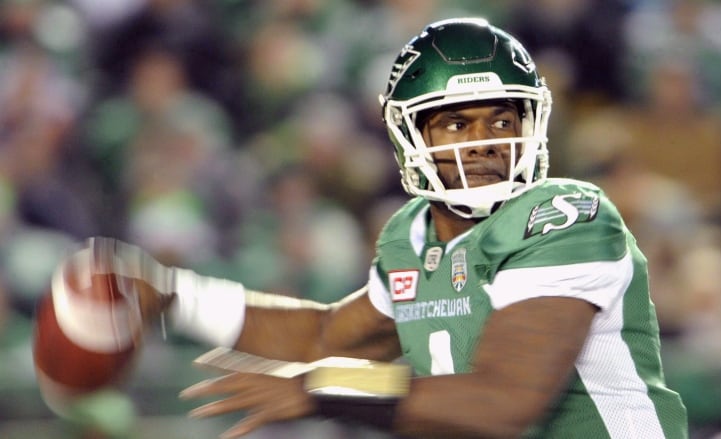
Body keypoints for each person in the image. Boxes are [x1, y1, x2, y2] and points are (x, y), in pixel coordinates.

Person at [76, 18, 688, 438]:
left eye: (502, 117)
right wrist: (173, 298)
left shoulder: (563, 217)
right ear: (410, 136)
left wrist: (324, 389)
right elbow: (324, 335)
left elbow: (505, 401)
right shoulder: (413, 235)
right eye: (456, 124)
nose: (485, 142)